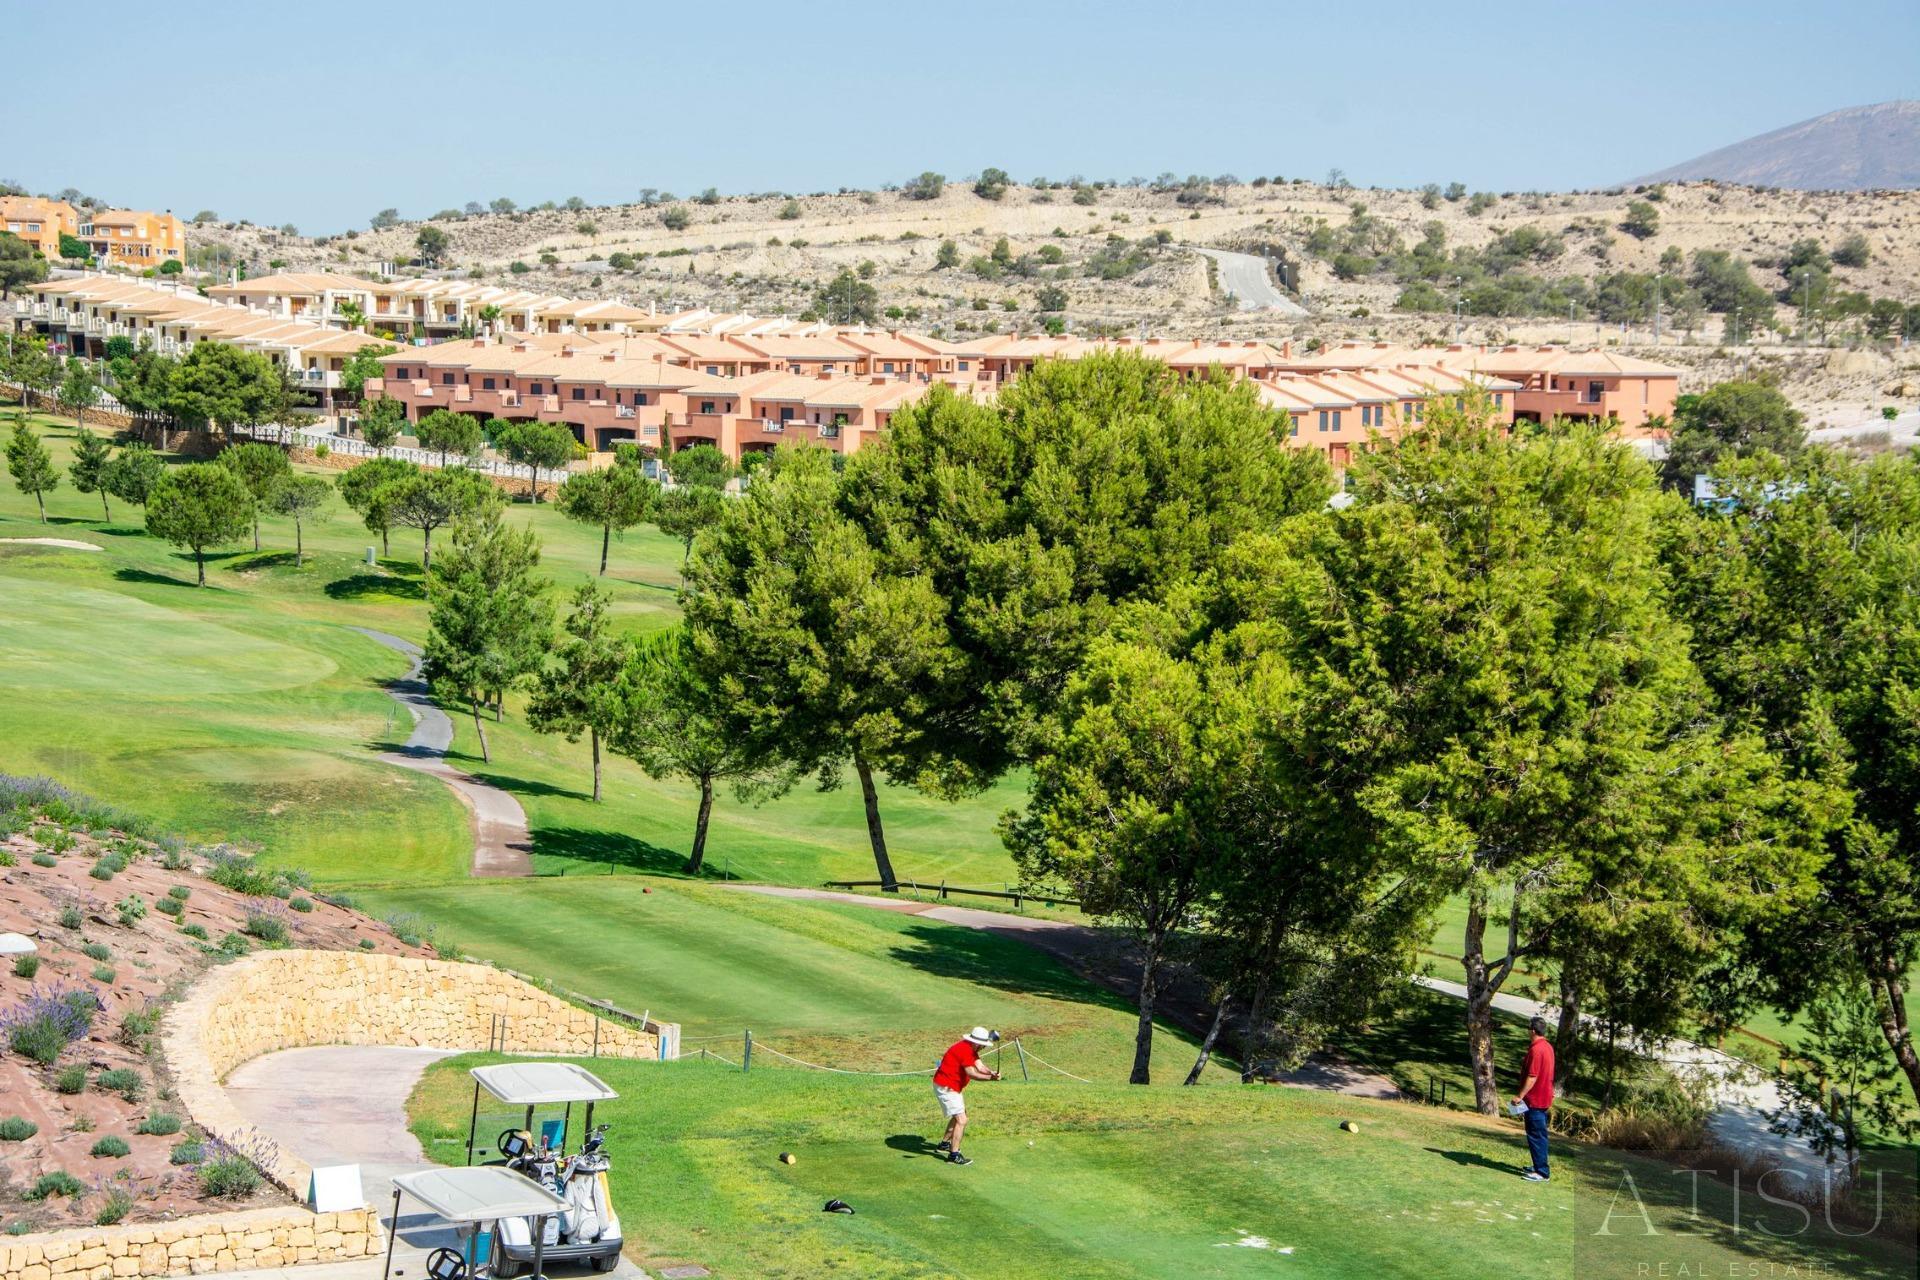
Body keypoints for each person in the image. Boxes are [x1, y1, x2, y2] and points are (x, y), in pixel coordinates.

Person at [931, 1026, 1000, 1166]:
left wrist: (990, 1072)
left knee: (958, 1116)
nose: (984, 1048)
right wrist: (990, 1079)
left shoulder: (970, 1049)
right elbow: (972, 1073)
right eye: (983, 1045)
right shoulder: (964, 1050)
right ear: (976, 1042)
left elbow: (980, 1067)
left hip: (951, 1086)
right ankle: (953, 1155)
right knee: (962, 1119)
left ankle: (944, 1145)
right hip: (946, 1086)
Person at [1513, 1014, 1555, 1182]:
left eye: (1528, 1028)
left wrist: (1519, 1096)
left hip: (1535, 1099)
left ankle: (1542, 1172)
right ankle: (1538, 1165)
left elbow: (1532, 1076)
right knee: (1537, 1134)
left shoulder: (1537, 1049)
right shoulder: (1547, 1046)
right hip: (1543, 1097)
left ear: (1532, 1030)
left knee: (1536, 1135)